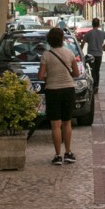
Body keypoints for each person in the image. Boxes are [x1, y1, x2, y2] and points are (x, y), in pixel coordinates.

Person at [37, 27, 79, 165]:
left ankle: (57, 156)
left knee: (55, 125)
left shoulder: (46, 55)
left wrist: (50, 77)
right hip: (68, 90)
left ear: (49, 40)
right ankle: (68, 152)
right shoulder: (69, 53)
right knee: (67, 122)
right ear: (62, 39)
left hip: (53, 91)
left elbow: (40, 76)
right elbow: (76, 73)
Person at [82, 17, 105, 93]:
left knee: (91, 71)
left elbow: (83, 43)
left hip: (90, 55)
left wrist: (80, 52)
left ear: (92, 24)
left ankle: (92, 85)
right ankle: (96, 86)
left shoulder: (88, 33)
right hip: (99, 55)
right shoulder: (102, 33)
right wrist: (103, 47)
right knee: (97, 70)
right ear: (99, 25)